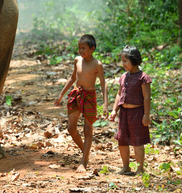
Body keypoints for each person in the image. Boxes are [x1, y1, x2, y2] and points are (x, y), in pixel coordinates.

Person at [54, 34, 108, 172]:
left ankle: (83, 162)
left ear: (92, 49)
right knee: (71, 129)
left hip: (89, 97)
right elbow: (73, 78)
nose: (81, 51)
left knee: (87, 129)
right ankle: (85, 152)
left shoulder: (97, 65)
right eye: (79, 48)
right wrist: (61, 95)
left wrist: (106, 104)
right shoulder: (77, 60)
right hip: (76, 94)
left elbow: (103, 84)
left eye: (83, 48)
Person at [108, 46, 151, 175]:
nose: (123, 64)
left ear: (134, 60)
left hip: (137, 113)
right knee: (122, 140)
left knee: (137, 141)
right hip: (124, 113)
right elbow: (118, 94)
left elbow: (147, 97)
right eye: (122, 60)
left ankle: (140, 169)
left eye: (126, 61)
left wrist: (146, 115)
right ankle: (126, 166)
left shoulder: (143, 77)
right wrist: (114, 110)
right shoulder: (123, 77)